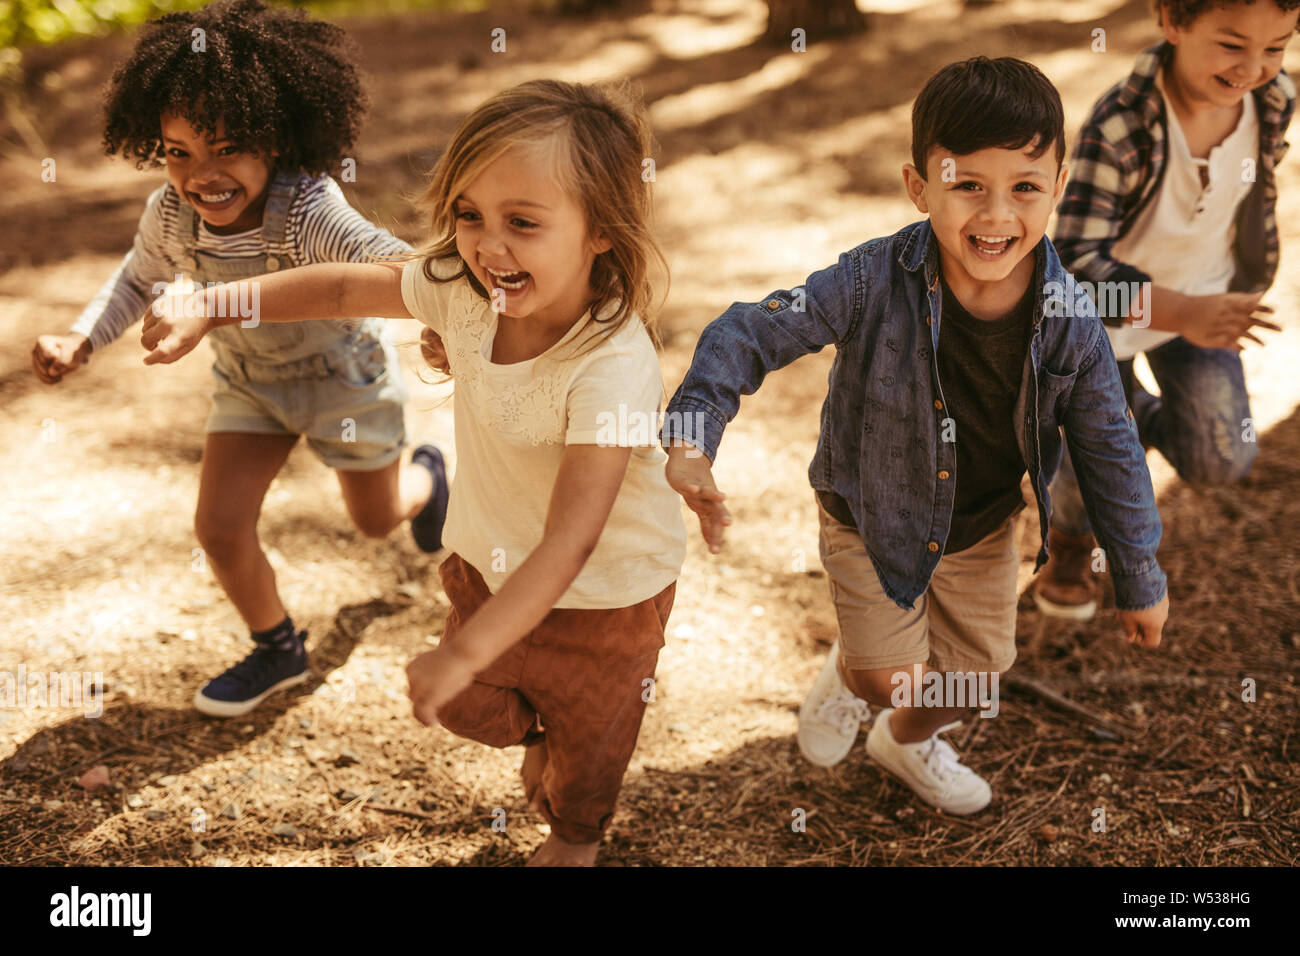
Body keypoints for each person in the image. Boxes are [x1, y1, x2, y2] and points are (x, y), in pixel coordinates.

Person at [138, 79, 687, 866]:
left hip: (608, 597)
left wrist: (461, 653)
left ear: (601, 230)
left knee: (592, 752)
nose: (487, 245)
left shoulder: (612, 365)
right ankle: (538, 729)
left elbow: (570, 543)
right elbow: (333, 284)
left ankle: (574, 839)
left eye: (523, 223)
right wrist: (215, 306)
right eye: (470, 215)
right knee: (467, 708)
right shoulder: (464, 289)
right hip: (488, 560)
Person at [661, 58, 1170, 816]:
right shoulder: (869, 280)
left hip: (983, 524)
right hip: (870, 514)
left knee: (976, 678)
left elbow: (1110, 449)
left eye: (1024, 188)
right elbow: (753, 330)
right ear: (919, 187)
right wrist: (693, 435)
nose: (997, 216)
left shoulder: (1071, 319)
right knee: (887, 675)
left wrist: (1138, 572)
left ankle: (902, 739)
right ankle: (857, 670)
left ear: (1058, 184)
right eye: (968, 186)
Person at [29, 0, 449, 718]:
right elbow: (137, 278)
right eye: (178, 151)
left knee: (377, 521)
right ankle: (276, 647)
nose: (202, 173)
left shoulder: (309, 209)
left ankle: (428, 480)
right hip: (249, 386)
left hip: (342, 381)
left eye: (227, 148)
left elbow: (393, 267)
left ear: (277, 140)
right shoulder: (168, 214)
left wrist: (440, 308)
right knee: (219, 529)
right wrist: (84, 337)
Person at [1037, 0, 1296, 618]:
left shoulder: (1274, 98)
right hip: (1103, 321)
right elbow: (1073, 264)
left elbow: (1250, 191)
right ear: (1172, 22)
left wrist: (1235, 283)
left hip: (1202, 302)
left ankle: (1124, 426)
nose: (1253, 68)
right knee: (1080, 467)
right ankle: (1070, 540)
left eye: (1276, 47)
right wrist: (1177, 311)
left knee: (1222, 457)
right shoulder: (1123, 123)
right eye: (1232, 45)